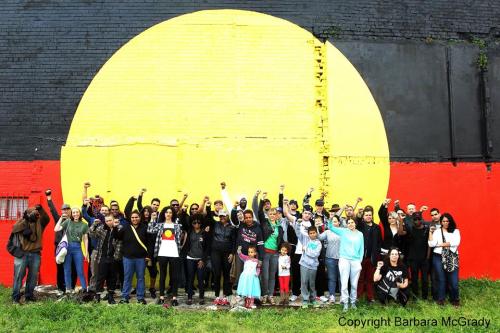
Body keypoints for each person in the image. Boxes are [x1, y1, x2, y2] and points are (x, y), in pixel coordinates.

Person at [11, 205, 50, 304]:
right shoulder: (22, 222)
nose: (35, 215)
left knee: (33, 277)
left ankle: (29, 296)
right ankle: (15, 297)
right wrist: (26, 219)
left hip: (35, 254)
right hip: (22, 254)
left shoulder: (40, 223)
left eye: (36, 213)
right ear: (27, 214)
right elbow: (14, 228)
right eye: (32, 213)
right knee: (19, 276)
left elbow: (47, 218)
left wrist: (40, 209)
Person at [148, 206, 184, 306]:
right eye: (166, 212)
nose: (168, 214)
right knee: (162, 276)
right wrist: (152, 219)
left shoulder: (177, 226)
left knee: (174, 276)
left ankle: (174, 297)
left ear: (173, 214)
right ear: (164, 214)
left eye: (170, 212)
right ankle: (161, 297)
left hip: (174, 253)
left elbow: (179, 239)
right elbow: (150, 230)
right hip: (162, 253)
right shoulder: (160, 225)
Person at [328, 218, 364, 312]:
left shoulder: (360, 234)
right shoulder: (343, 232)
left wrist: (359, 260)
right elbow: (330, 226)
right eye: (348, 223)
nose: (350, 224)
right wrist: (333, 217)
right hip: (344, 259)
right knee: (344, 283)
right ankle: (345, 303)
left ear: (355, 223)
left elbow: (362, 248)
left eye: (352, 222)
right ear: (346, 224)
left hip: (355, 260)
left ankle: (353, 302)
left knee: (354, 283)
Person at [45, 189, 77, 292]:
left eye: (67, 209)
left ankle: (71, 287)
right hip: (59, 247)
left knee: (73, 267)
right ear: (62, 211)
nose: (66, 211)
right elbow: (52, 210)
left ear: (70, 210)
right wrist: (49, 198)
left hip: (71, 247)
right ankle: (61, 288)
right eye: (64, 209)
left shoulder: (74, 220)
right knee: (60, 267)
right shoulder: (58, 219)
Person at [115, 209, 148, 304]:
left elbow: (149, 242)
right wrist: (115, 227)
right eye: (132, 217)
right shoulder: (125, 227)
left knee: (141, 278)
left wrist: (148, 255)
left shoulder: (144, 228)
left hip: (141, 258)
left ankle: (140, 298)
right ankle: (125, 297)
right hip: (127, 258)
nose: (134, 219)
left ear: (140, 218)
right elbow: (117, 236)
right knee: (127, 278)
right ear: (130, 218)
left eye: (136, 217)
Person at [54, 207, 89, 294]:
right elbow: (56, 229)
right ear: (71, 214)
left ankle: (84, 289)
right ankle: (68, 290)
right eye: (73, 213)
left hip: (78, 248)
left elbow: (85, 239)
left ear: (80, 213)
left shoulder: (84, 225)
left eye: (77, 212)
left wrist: (86, 252)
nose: (75, 214)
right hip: (67, 248)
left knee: (80, 270)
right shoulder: (68, 222)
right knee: (67, 269)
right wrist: (61, 218)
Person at [428, 213, 461, 306]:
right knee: (441, 279)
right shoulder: (437, 231)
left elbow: (456, 242)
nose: (445, 223)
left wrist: (439, 244)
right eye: (443, 221)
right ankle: (441, 300)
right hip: (438, 256)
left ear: (450, 221)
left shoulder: (455, 231)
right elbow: (431, 244)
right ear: (441, 222)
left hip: (452, 257)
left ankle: (455, 300)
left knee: (454, 281)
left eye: (447, 221)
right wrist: (430, 232)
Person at [206, 206, 235, 305]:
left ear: (228, 216)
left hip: (227, 253)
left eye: (224, 216)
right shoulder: (215, 224)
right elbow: (209, 217)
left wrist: (232, 253)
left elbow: (234, 241)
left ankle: (226, 295)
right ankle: (217, 295)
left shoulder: (232, 227)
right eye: (221, 216)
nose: (222, 217)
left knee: (226, 274)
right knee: (217, 273)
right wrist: (208, 205)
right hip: (215, 252)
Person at [89, 215, 121, 304]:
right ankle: (98, 296)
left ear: (113, 220)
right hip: (102, 257)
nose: (108, 222)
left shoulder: (119, 228)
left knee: (112, 278)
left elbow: (120, 242)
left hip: (113, 257)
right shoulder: (102, 228)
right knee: (100, 277)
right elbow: (91, 234)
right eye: (106, 221)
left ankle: (110, 297)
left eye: (110, 220)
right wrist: (94, 225)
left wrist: (116, 257)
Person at [397, 211, 430, 299]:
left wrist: (427, 257)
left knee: (425, 279)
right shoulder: (409, 228)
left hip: (424, 259)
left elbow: (429, 244)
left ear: (421, 219)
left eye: (419, 219)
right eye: (415, 219)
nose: (417, 221)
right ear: (412, 220)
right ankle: (415, 296)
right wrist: (400, 221)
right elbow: (400, 233)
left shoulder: (427, 229)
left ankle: (425, 297)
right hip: (413, 259)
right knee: (414, 279)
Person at [181, 214, 209, 305]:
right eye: (194, 222)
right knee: (190, 278)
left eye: (198, 222)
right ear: (192, 223)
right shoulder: (189, 231)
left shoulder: (205, 233)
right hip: (190, 258)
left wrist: (203, 260)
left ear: (201, 223)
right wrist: (184, 212)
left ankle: (201, 297)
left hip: (200, 259)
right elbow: (183, 221)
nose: (196, 224)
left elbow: (207, 248)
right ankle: (189, 298)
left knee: (201, 279)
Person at [258, 204, 284, 305]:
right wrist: (262, 200)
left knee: (272, 276)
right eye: (270, 214)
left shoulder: (279, 227)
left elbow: (280, 241)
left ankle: (270, 296)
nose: (272, 215)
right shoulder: (264, 223)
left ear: (277, 215)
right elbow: (260, 212)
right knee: (265, 276)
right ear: (268, 215)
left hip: (275, 254)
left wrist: (284, 252)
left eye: (274, 214)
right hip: (265, 253)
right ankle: (264, 295)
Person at [356, 206, 382, 303]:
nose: (368, 216)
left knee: (370, 278)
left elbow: (379, 242)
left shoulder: (377, 228)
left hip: (372, 258)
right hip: (361, 257)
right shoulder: (360, 226)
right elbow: (357, 221)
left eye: (370, 215)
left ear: (372, 216)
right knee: (360, 278)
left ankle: (370, 297)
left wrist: (377, 255)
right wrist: (359, 214)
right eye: (366, 215)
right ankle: (358, 296)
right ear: (363, 216)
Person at [318, 215, 342, 303]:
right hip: (330, 258)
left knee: (341, 278)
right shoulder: (328, 232)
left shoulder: (343, 231)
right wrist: (317, 227)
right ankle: (332, 295)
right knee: (332, 278)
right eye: (332, 222)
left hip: (342, 259)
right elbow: (319, 237)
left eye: (336, 221)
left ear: (339, 222)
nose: (334, 223)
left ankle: (343, 295)